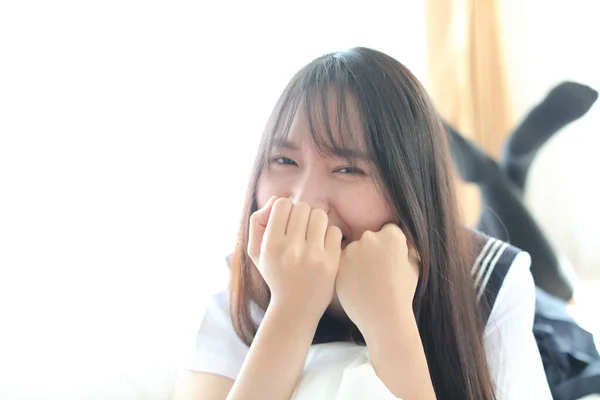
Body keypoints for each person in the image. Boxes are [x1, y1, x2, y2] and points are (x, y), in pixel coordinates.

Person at [172, 47, 552, 399]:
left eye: (348, 168)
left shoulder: (488, 279)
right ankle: (501, 175)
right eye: (285, 162)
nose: (305, 201)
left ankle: (500, 176)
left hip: (491, 288)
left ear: (408, 183)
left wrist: (390, 322)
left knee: (554, 284)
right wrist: (291, 307)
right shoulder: (244, 283)